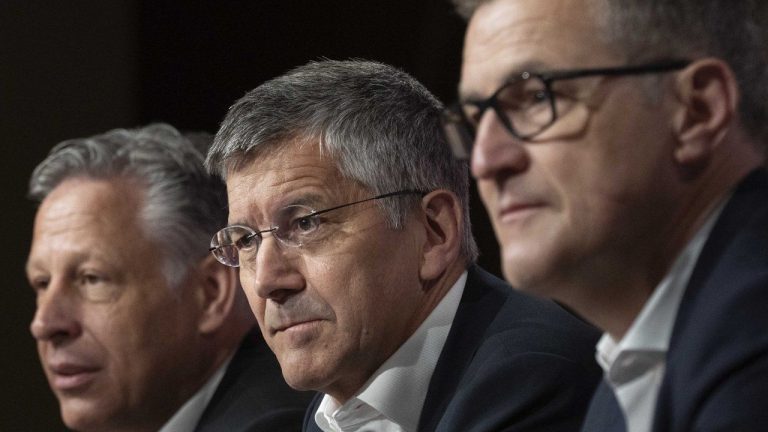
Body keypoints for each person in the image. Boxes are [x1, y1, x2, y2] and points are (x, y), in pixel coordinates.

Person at [205, 59, 601, 432]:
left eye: (306, 223)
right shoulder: (337, 406)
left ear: (433, 233)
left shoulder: (532, 381)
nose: (267, 281)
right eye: (246, 241)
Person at [444, 0, 768, 430]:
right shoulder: (629, 369)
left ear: (696, 110)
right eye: (474, 122)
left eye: (537, 97)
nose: (485, 161)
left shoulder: (751, 334)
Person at [26, 123, 312, 432]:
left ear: (210, 293)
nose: (44, 324)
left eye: (91, 279)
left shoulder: (272, 425)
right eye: (42, 283)